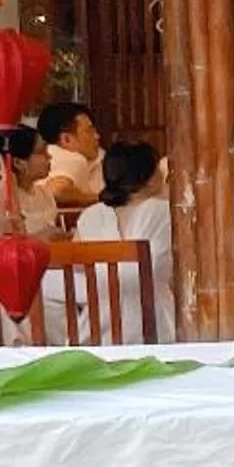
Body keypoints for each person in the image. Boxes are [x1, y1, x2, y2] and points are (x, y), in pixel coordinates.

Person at [72, 141, 173, 337]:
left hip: (95, 333)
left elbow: (77, 267)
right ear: (151, 178)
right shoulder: (165, 211)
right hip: (158, 331)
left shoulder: (89, 216)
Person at [37, 100, 106, 211]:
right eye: (89, 131)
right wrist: (103, 198)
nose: (97, 136)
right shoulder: (70, 158)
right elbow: (57, 191)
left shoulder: (99, 156)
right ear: (66, 139)